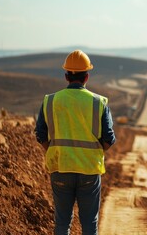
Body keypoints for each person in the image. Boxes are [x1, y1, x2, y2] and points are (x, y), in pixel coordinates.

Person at [35, 50, 116, 235]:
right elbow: (109, 139)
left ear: (66, 76)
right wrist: (94, 151)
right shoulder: (98, 102)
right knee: (89, 223)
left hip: (60, 167)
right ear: (87, 76)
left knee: (62, 223)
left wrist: (54, 150)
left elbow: (40, 134)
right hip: (89, 169)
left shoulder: (51, 101)